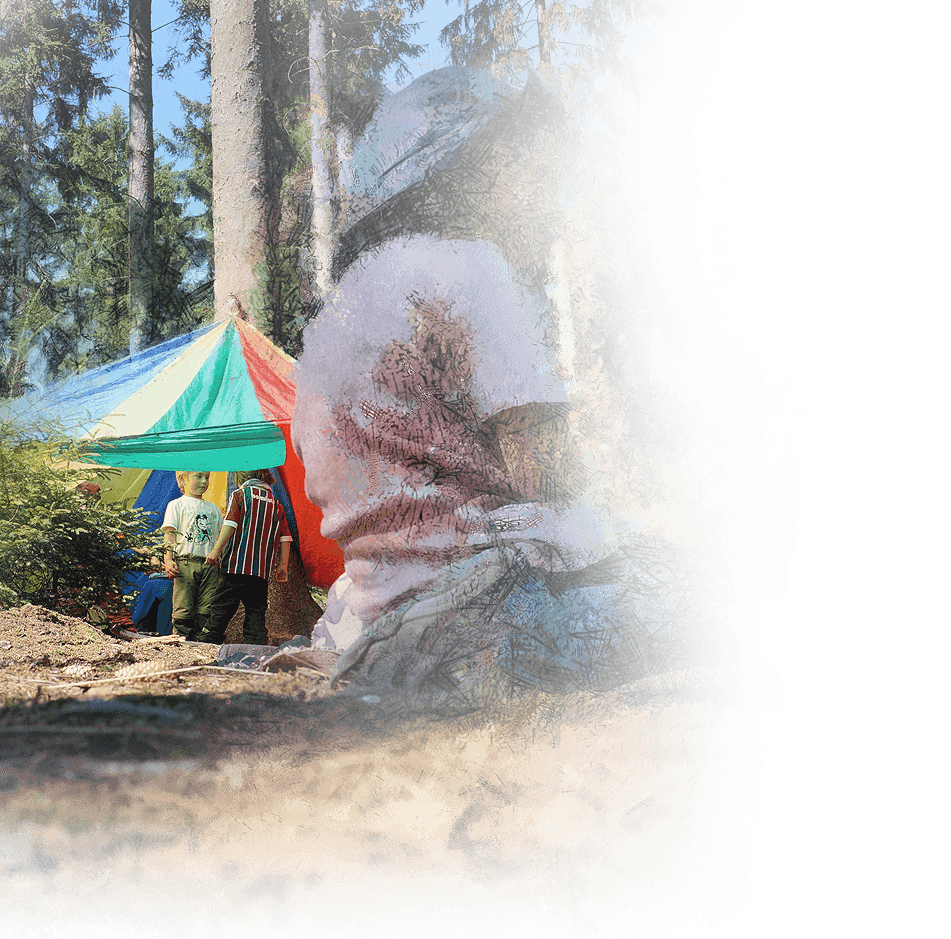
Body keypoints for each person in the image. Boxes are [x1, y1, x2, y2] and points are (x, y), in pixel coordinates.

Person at [293, 65, 724, 714]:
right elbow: (544, 473)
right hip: (491, 614)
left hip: (377, 622)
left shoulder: (336, 319)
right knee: (715, 593)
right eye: (538, 176)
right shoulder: (474, 269)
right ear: (480, 171)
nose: (554, 208)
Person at [206, 469, 293, 646]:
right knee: (256, 611)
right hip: (260, 572)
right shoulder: (276, 504)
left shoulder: (240, 495)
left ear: (239, 478)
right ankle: (256, 646)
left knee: (222, 607)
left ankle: (209, 640)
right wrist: (282, 565)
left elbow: (230, 524)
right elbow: (285, 538)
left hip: (235, 566)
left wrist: (216, 550)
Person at [159, 470, 224, 642]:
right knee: (183, 607)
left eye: (207, 477)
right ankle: (182, 641)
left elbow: (220, 538)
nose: (204, 481)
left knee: (206, 607)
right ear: (183, 479)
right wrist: (168, 559)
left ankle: (202, 643)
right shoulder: (176, 505)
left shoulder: (213, 509)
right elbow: (170, 535)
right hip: (185, 563)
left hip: (209, 566)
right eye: (199, 476)